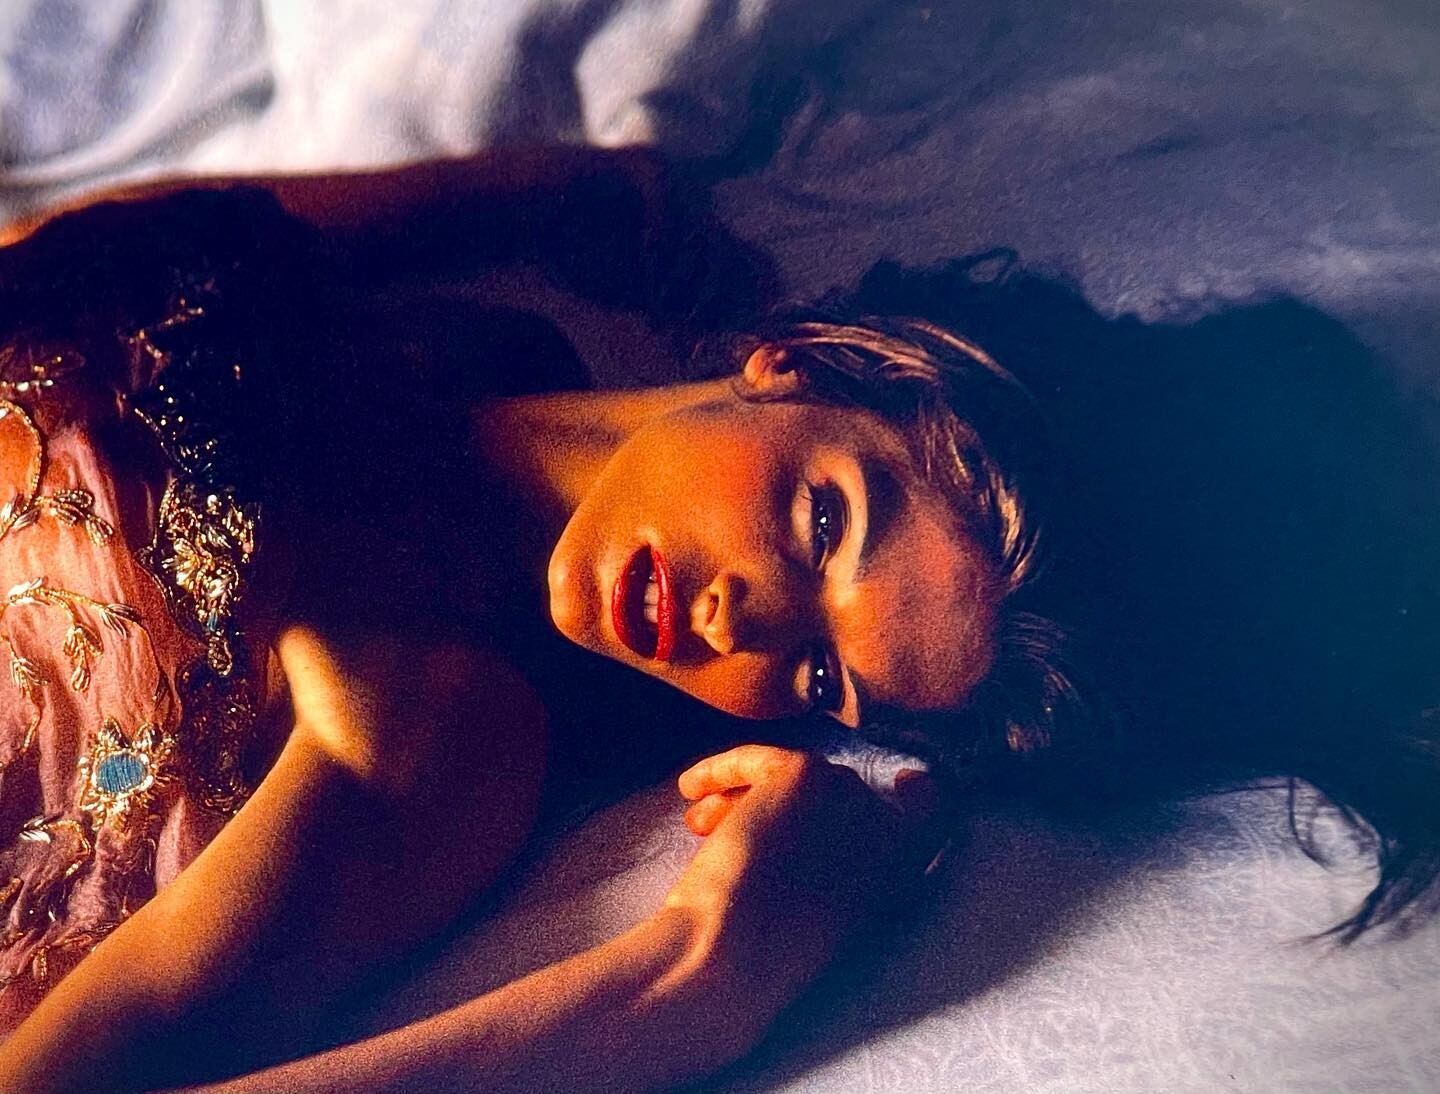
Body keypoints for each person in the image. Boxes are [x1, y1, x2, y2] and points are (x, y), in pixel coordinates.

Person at [0, 149, 1437, 1093]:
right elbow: (72, 254)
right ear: (803, 359)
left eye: (815, 675)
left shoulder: (438, 727)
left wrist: (692, 976)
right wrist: (551, 192)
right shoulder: (427, 316)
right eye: (823, 524)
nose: (735, 625)